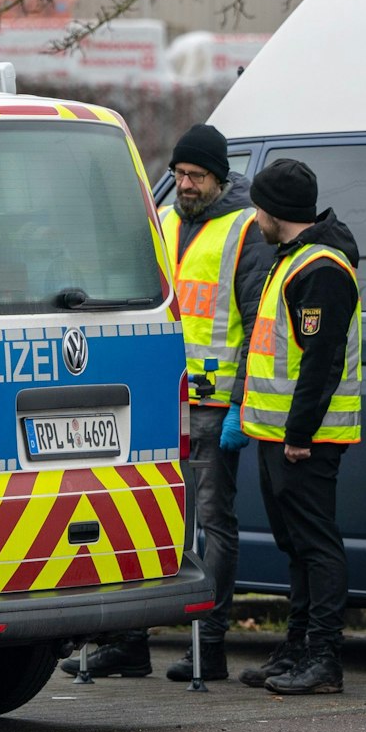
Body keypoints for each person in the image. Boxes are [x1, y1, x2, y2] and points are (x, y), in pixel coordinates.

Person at [59, 123, 271, 680]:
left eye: (196, 176)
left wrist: (241, 403)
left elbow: (258, 323)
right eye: (179, 174)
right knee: (136, 513)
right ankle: (130, 643)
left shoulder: (245, 229)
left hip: (211, 404)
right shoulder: (164, 220)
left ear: (219, 178)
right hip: (153, 401)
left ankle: (211, 644)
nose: (186, 185)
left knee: (212, 522)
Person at [237, 158, 362, 695]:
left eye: (258, 209)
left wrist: (298, 434)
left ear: (276, 210)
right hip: (277, 436)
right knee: (296, 546)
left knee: (317, 545)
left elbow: (321, 361)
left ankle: (324, 657)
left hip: (306, 441)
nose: (254, 218)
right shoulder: (291, 259)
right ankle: (297, 648)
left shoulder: (321, 269)